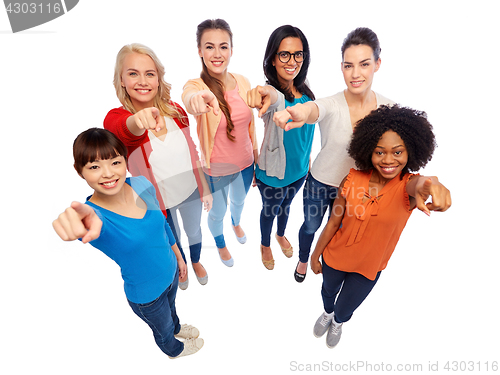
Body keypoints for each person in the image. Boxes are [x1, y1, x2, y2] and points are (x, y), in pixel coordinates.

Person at [52, 128, 204, 358]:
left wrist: (179, 256)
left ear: (125, 161)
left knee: (172, 309)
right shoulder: (94, 217)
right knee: (161, 330)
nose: (107, 173)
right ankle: (174, 349)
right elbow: (89, 221)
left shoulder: (142, 184)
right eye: (94, 167)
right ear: (79, 171)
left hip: (171, 272)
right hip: (147, 297)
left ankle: (176, 328)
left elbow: (163, 224)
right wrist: (79, 219)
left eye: (115, 162)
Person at [309, 105, 452, 348]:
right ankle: (327, 313)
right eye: (379, 152)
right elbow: (333, 221)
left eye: (398, 152)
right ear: (368, 151)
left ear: (411, 153)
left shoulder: (406, 187)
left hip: (368, 268)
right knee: (328, 294)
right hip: (335, 257)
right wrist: (315, 255)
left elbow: (422, 184)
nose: (388, 160)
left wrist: (434, 185)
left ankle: (338, 322)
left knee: (345, 308)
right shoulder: (352, 178)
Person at [273, 27, 394, 282]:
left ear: (377, 64)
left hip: (354, 190)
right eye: (348, 65)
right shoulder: (332, 103)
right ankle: (304, 259)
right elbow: (314, 110)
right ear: (341, 67)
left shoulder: (388, 110)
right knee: (310, 226)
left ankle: (328, 263)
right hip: (320, 183)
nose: (355, 73)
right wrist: (299, 113)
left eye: (364, 64)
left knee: (338, 231)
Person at [104, 43, 212, 289]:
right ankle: (181, 263)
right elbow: (123, 129)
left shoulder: (176, 111)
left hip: (191, 190)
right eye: (133, 73)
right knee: (173, 238)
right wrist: (138, 120)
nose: (142, 81)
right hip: (160, 201)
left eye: (149, 73)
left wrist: (204, 186)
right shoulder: (116, 118)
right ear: (121, 80)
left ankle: (195, 261)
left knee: (194, 232)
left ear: (158, 78)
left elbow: (193, 151)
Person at [182, 19, 258, 267]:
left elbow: (250, 126)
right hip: (217, 170)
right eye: (209, 47)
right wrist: (196, 100)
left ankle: (236, 223)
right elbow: (190, 97)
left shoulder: (243, 81)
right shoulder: (197, 86)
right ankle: (220, 241)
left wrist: (256, 159)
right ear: (200, 51)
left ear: (231, 50)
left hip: (246, 164)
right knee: (217, 212)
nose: (217, 54)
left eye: (223, 47)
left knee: (239, 202)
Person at [247, 25, 315, 270]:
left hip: (300, 172)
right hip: (274, 175)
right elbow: (270, 97)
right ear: (272, 59)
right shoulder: (274, 96)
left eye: (298, 54)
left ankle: (280, 234)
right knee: (270, 210)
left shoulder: (306, 92)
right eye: (284, 54)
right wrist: (261, 93)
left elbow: (306, 132)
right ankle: (265, 243)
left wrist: (307, 161)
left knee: (286, 207)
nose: (292, 61)